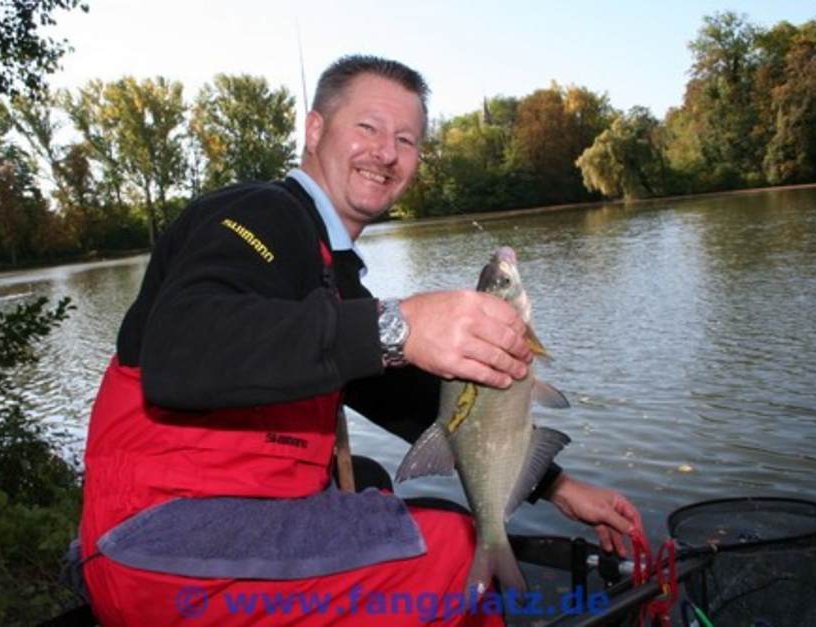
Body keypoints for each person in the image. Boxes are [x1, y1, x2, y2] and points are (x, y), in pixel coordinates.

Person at [78, 55, 642, 626]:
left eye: (407, 139)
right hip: (160, 542)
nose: (387, 152)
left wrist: (559, 485)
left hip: (234, 531)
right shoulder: (260, 213)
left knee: (374, 484)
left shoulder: (332, 271)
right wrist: (401, 324)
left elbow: (406, 402)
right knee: (450, 548)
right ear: (315, 129)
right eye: (367, 128)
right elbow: (180, 351)